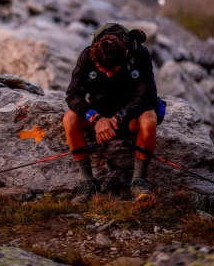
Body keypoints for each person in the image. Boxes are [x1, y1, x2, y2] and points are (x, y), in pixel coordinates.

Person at [63, 23, 165, 203]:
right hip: (99, 112)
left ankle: (138, 182)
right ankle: (87, 181)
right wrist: (95, 118)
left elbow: (147, 96)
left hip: (129, 115)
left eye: (114, 69)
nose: (109, 75)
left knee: (149, 118)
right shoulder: (88, 55)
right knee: (69, 118)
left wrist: (118, 117)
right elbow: (73, 94)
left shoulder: (139, 54)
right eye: (103, 70)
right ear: (95, 61)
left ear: (125, 54)